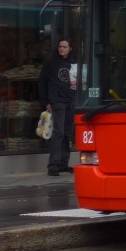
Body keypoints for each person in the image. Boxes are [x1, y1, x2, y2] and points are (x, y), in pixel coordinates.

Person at [38, 39, 76, 177]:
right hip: (57, 101)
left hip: (71, 101)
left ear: (70, 48)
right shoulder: (51, 62)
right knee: (58, 132)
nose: (62, 49)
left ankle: (63, 164)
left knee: (67, 132)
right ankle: (53, 165)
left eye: (64, 47)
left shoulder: (74, 63)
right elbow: (42, 81)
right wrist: (45, 102)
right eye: (60, 47)